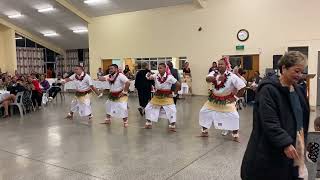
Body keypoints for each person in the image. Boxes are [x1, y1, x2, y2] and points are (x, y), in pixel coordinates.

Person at [241, 51, 310, 180]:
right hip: (273, 147)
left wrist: (302, 140)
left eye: (302, 72)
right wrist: (285, 143)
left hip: (295, 141)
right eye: (296, 71)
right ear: (284, 68)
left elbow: (302, 116)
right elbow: (269, 121)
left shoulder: (299, 89)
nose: (299, 75)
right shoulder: (268, 90)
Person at [198, 57, 246, 141]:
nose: (219, 65)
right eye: (218, 64)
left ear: (226, 65)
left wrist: (235, 98)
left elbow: (242, 87)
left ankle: (235, 134)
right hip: (213, 99)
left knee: (234, 116)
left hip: (226, 100)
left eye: (221, 64)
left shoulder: (232, 76)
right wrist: (216, 78)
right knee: (203, 112)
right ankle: (204, 131)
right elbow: (207, 79)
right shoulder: (214, 72)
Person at [144, 63, 181, 131]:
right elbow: (149, 78)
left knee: (172, 110)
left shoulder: (169, 77)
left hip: (167, 96)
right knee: (147, 108)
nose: (159, 69)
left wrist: (174, 94)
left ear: (165, 69)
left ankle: (172, 125)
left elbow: (178, 84)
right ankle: (149, 123)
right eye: (158, 68)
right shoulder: (156, 75)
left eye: (161, 68)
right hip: (157, 96)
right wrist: (148, 75)